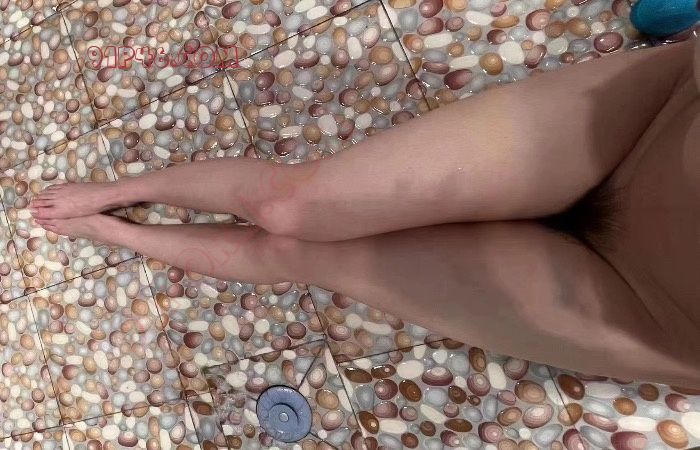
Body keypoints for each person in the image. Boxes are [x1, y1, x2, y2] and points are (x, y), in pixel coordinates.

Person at [30, 37, 700, 389]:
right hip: (661, 120)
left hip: (654, 311)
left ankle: (114, 229)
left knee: (291, 253)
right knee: (287, 205)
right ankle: (115, 194)